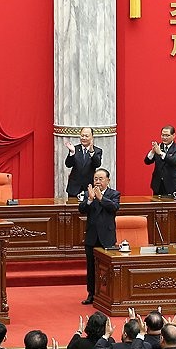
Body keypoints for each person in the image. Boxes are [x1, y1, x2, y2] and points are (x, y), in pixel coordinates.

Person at [79, 168, 120, 306]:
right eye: (95, 179)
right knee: (91, 267)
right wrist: (90, 199)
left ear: (108, 180)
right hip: (92, 236)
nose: (97, 182)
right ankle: (91, 294)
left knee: (107, 267)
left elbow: (114, 207)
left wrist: (101, 198)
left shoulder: (114, 194)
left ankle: (107, 294)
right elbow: (82, 209)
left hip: (107, 236)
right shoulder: (88, 194)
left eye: (100, 179)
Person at [144, 125, 176, 196]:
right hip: (158, 184)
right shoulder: (158, 146)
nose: (164, 138)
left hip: (172, 185)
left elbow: (174, 161)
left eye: (167, 135)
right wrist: (152, 152)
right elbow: (147, 162)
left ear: (173, 135)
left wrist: (160, 153)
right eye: (163, 135)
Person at [64, 127, 103, 197]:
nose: (84, 138)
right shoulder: (74, 149)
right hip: (74, 188)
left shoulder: (97, 150)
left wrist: (91, 152)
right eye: (82, 136)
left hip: (89, 188)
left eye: (86, 136)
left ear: (92, 137)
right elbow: (68, 164)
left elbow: (97, 164)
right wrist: (72, 153)